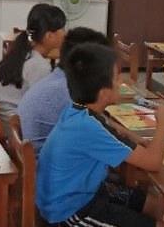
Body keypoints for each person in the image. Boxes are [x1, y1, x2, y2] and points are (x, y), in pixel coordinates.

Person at [35, 43, 164, 227]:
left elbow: (110, 127)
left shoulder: (78, 110)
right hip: (71, 212)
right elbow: (154, 162)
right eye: (118, 78)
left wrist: (137, 139)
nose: (121, 82)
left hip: (73, 194)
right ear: (104, 92)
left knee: (155, 203)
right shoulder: (89, 128)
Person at [16, 27, 110, 155]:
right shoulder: (72, 92)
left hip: (36, 158)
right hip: (45, 166)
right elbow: (101, 133)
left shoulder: (56, 78)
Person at [0, 3, 66, 123]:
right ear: (49, 36)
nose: (65, 33)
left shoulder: (23, 51)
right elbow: (41, 107)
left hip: (6, 120)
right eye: (62, 29)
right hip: (15, 127)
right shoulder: (39, 66)